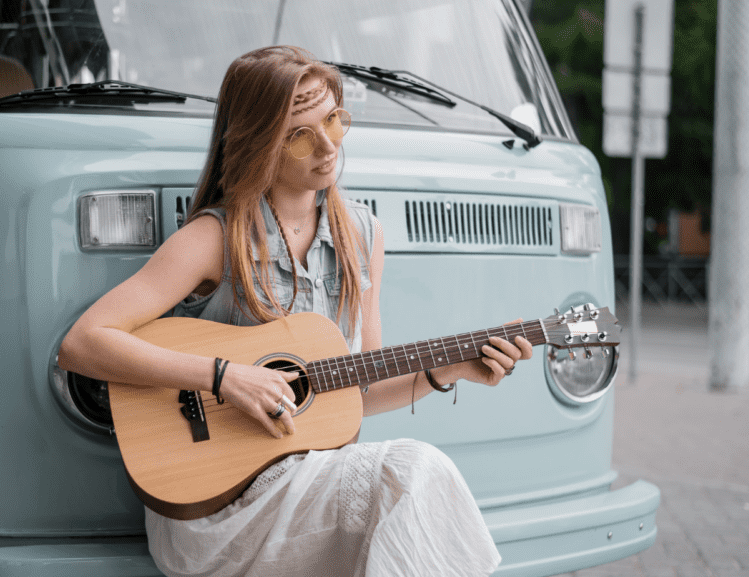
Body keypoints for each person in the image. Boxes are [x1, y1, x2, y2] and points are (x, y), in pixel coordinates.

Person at [57, 45, 533, 577]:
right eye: (302, 134)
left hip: (312, 482)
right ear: (261, 143)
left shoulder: (364, 237)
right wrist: (223, 377)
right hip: (216, 506)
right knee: (411, 471)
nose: (328, 146)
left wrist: (447, 371)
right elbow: (82, 343)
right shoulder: (215, 238)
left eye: (334, 120)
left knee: (412, 482)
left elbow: (360, 390)